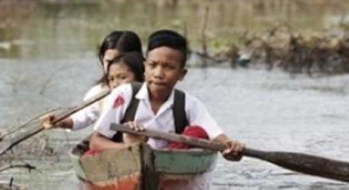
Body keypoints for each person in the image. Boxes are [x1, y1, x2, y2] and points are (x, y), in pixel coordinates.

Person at [89, 29, 244, 160]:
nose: (158, 74)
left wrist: (229, 147)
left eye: (169, 67)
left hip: (170, 162)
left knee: (197, 133)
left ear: (182, 74)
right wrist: (130, 149)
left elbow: (215, 135)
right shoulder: (124, 94)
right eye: (153, 65)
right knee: (91, 155)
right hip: (125, 157)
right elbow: (96, 141)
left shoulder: (188, 104)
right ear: (144, 67)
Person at [42, 30, 142, 130]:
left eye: (117, 61)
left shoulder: (150, 90)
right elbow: (80, 118)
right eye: (108, 61)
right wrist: (60, 122)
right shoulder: (98, 92)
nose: (112, 67)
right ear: (102, 60)